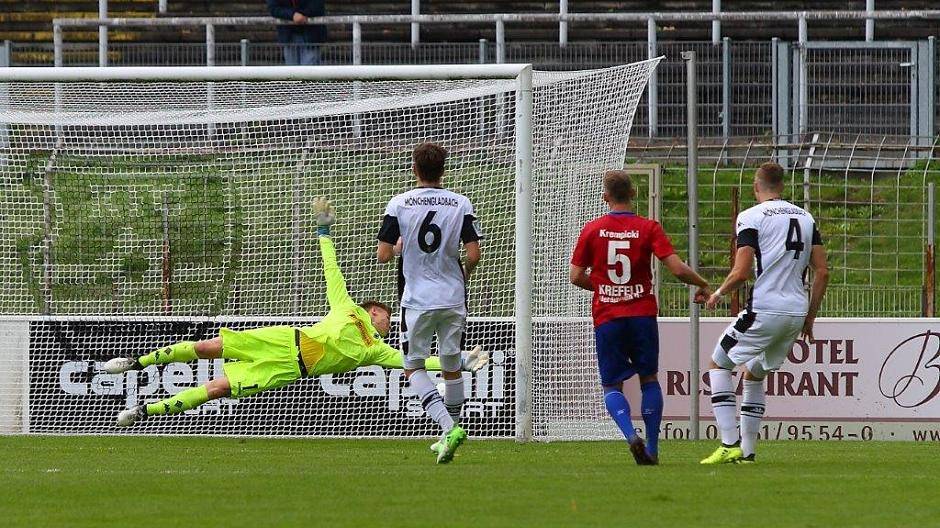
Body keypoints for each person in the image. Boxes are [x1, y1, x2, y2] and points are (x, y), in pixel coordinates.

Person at [104, 198, 488, 427]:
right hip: (284, 337)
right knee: (207, 347)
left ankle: (144, 410)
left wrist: (460, 363)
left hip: (288, 369)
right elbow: (331, 269)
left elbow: (417, 361)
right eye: (385, 315)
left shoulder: (376, 350)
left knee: (218, 389)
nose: (389, 321)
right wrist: (324, 232)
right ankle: (134, 363)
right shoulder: (347, 307)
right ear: (372, 311)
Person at [570, 170, 710, 465]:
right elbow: (678, 269)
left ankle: (630, 435)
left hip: (608, 317)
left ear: (605, 197)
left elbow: (575, 276)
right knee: (649, 380)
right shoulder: (648, 228)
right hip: (641, 315)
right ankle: (653, 449)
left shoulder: (592, 230)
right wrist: (703, 284)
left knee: (611, 386)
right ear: (633, 194)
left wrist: (605, 286)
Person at [700, 161, 829, 464]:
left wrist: (718, 294)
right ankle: (748, 452)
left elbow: (741, 271)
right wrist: (809, 319)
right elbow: (822, 271)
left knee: (718, 364)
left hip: (766, 308)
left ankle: (729, 442)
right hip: (796, 313)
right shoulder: (806, 217)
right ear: (782, 186)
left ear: (756, 187)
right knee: (754, 372)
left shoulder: (751, 217)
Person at [376, 142, 482, 464]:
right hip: (453, 298)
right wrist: (462, 273)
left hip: (417, 299)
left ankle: (448, 428)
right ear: (443, 170)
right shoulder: (461, 203)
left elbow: (383, 256)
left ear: (414, 169)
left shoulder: (399, 203)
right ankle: (447, 437)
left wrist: (398, 248)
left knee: (413, 368)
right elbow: (474, 254)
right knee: (451, 367)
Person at [266, 0, 326, 66]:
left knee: (309, 72)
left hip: (311, 36)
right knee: (292, 72)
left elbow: (317, 5)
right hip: (288, 37)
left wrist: (298, 15)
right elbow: (273, 8)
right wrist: (292, 15)